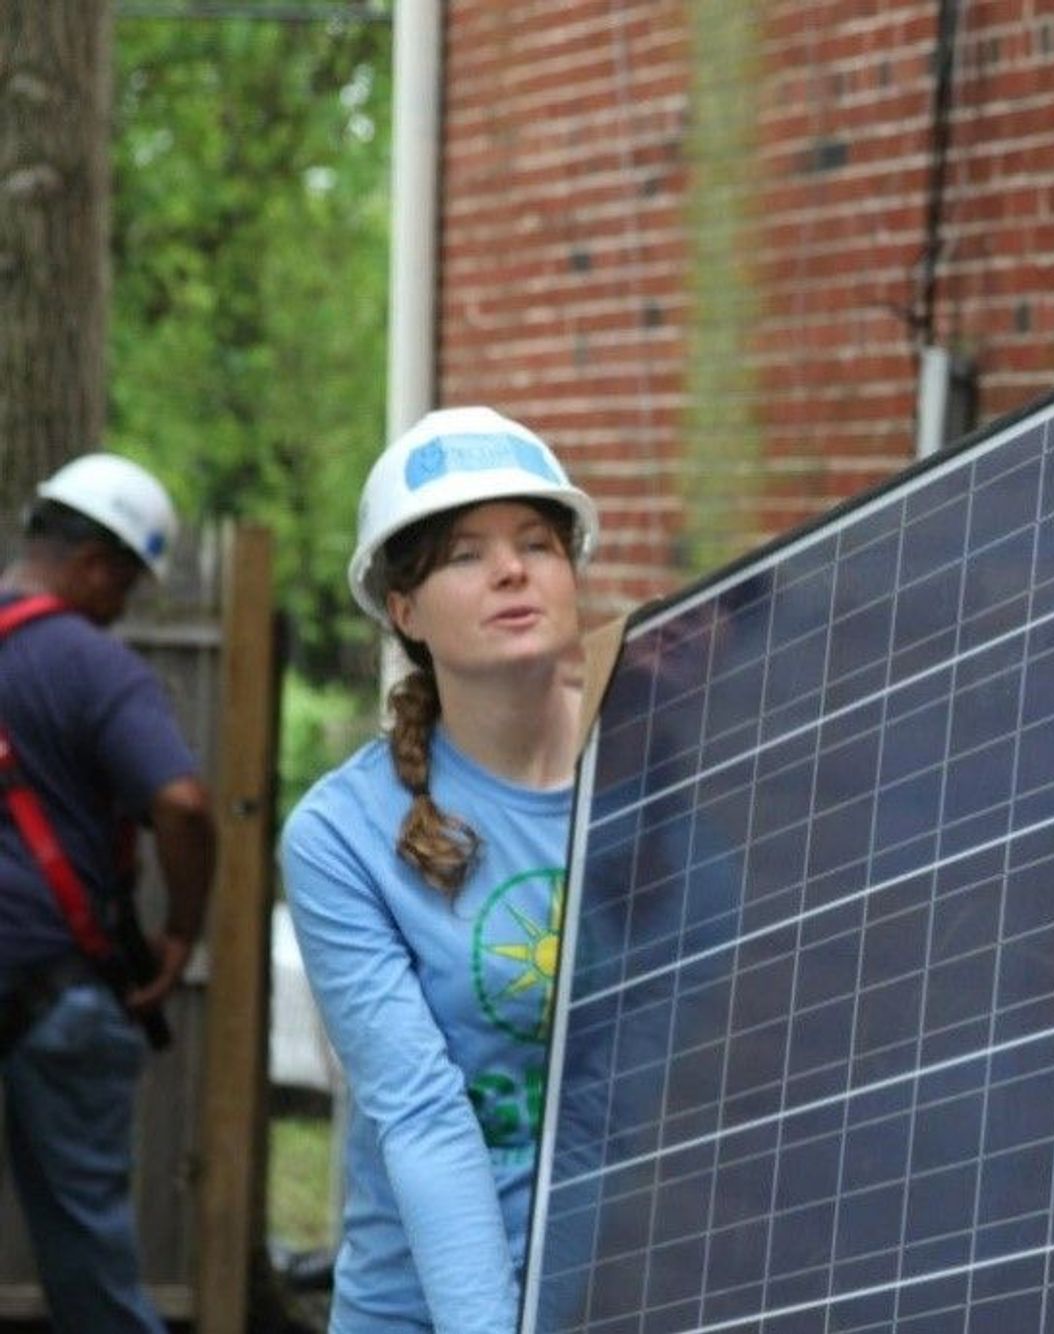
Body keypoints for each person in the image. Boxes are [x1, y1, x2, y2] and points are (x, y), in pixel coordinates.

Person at [281, 407, 598, 1332]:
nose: (511, 569)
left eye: (537, 543)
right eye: (465, 554)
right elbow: (423, 1118)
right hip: (429, 1312)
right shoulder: (342, 834)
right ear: (403, 610)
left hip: (634, 1287)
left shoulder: (656, 787)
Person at [0, 452, 214, 1333]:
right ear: (95, 565)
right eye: (124, 585)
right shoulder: (93, 666)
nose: (121, 607)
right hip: (55, 996)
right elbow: (184, 802)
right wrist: (179, 934)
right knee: (89, 1259)